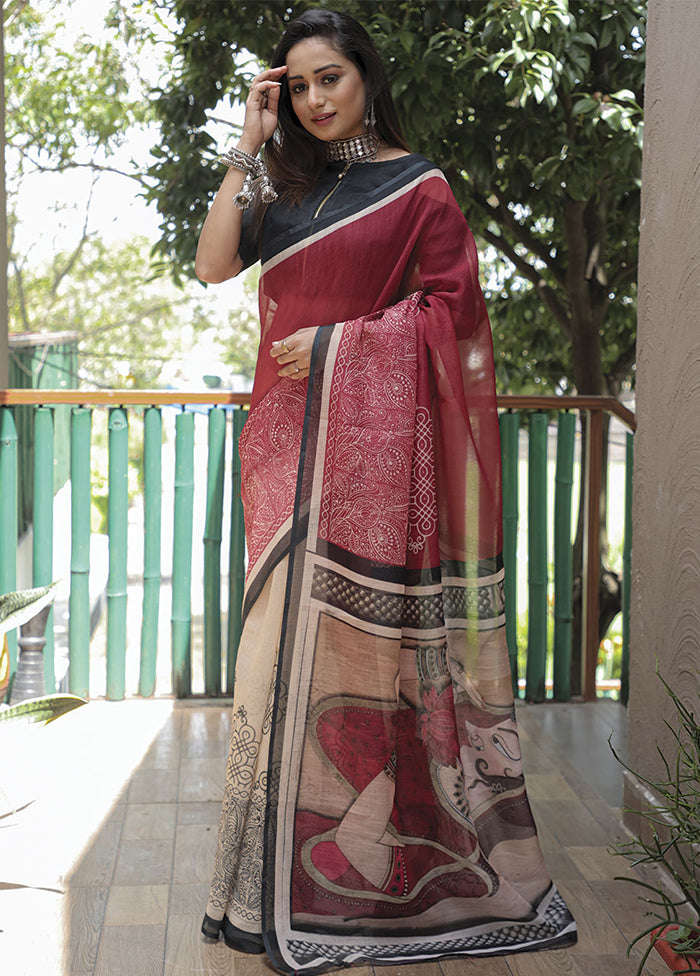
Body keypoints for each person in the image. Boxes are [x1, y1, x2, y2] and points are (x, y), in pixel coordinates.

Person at [196, 9, 576, 973]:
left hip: (369, 460)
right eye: (300, 86)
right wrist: (246, 148)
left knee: (362, 675)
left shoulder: (419, 189)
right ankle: (258, 886)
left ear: (365, 76)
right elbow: (210, 267)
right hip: (282, 450)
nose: (318, 101)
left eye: (333, 79)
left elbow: (453, 315)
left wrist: (334, 346)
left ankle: (361, 881)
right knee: (268, 676)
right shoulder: (284, 187)